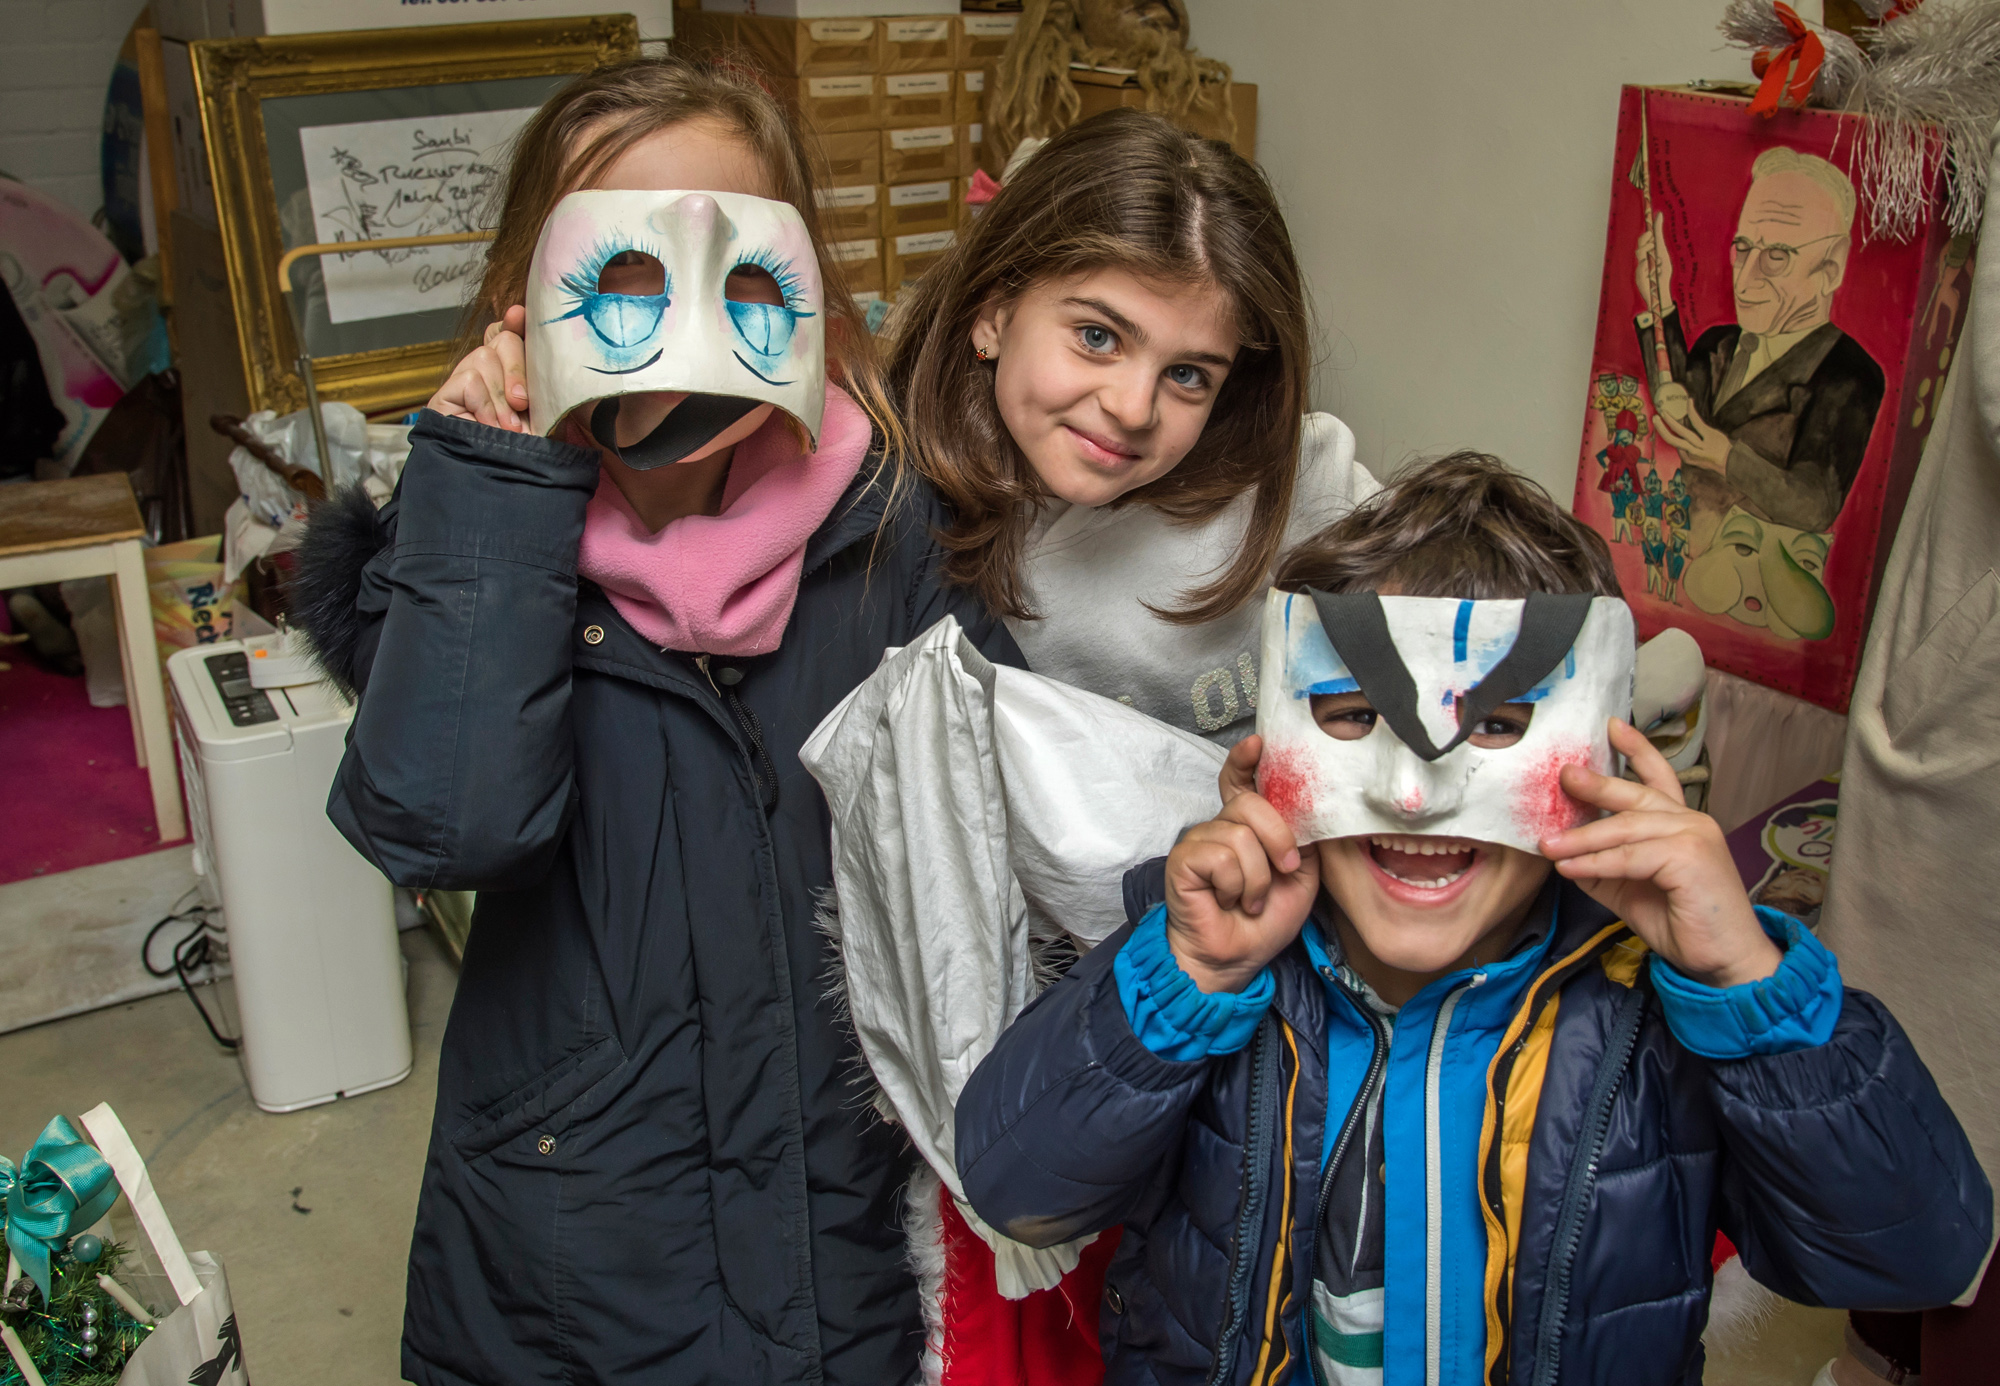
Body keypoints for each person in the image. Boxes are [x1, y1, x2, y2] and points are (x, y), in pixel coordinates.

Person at [288, 55, 1017, 1386]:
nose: (678, 326)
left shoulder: (899, 528)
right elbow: (445, 825)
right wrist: (495, 497)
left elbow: (993, 845)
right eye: (621, 277)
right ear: (523, 301)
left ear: (804, 291)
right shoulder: (468, 541)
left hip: (837, 1198)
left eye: (736, 275)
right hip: (578, 1231)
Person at [954, 454, 1991, 1384]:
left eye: (1498, 725)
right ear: (1268, 743)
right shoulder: (1209, 964)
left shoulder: (1653, 1013)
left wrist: (1747, 984)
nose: (1417, 797)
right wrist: (1181, 979)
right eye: (1353, 717)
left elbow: (1912, 1258)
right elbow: (1014, 1189)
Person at [887, 108, 1378, 744]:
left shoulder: (1302, 480)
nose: (1134, 409)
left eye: (1188, 375)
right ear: (994, 313)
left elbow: (1486, 605)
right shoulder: (894, 515)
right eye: (1098, 337)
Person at [1635, 147, 1884, 535]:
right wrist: (1660, 300)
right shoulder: (1719, 343)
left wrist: (1727, 458)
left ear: (1830, 270)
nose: (1745, 278)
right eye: (1744, 248)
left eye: (1776, 256)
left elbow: (1815, 505)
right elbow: (1676, 409)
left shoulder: (1850, 374)